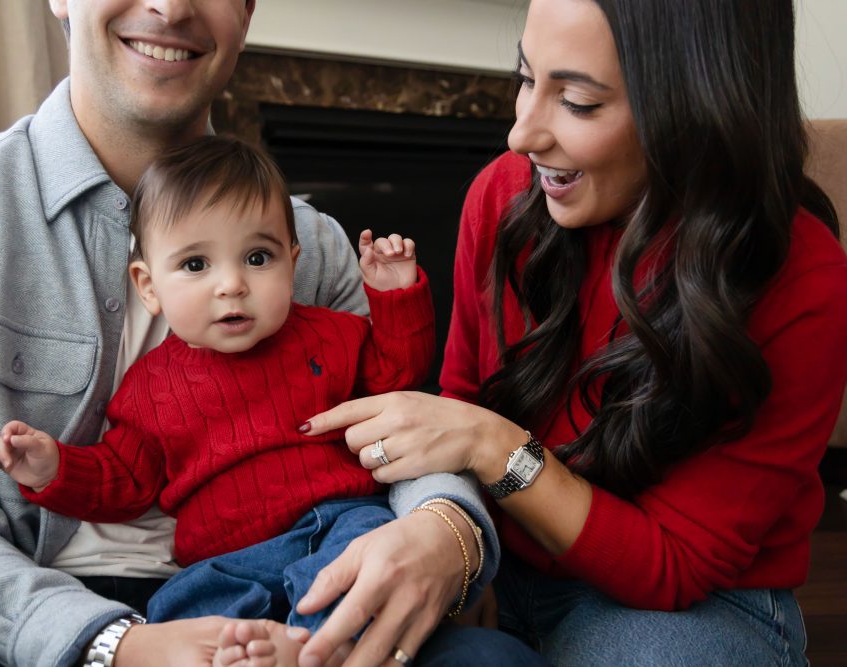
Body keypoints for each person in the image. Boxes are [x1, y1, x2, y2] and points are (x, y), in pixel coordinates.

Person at [0, 2, 545, 666]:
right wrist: (114, 643)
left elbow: (395, 416)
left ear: (246, 10)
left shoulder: (318, 246)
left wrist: (448, 527)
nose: (170, 6)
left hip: (300, 568)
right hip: (21, 612)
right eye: (195, 265)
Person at [301, 0, 847, 665]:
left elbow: (672, 564)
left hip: (679, 602)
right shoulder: (502, 194)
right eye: (526, 78)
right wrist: (458, 538)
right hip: (505, 559)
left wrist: (497, 445)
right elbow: (462, 401)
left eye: (579, 103)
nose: (520, 134)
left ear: (695, 109)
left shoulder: (801, 277)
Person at [0, 134, 438, 665]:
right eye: (196, 265)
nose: (232, 284)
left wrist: (396, 296)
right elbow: (126, 480)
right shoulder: (151, 386)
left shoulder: (332, 336)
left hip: (334, 520)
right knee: (180, 605)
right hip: (223, 556)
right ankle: (258, 650)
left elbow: (396, 382)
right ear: (148, 286)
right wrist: (53, 467)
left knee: (366, 560)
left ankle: (319, 648)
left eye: (257, 257)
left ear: (292, 263)